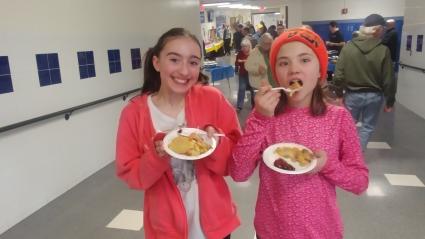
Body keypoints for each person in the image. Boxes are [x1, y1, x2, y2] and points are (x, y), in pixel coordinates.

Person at [231, 28, 369, 239]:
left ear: (320, 71)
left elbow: (360, 182)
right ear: (276, 73)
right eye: (284, 63)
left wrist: (326, 165)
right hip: (271, 231)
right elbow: (239, 173)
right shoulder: (265, 115)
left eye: (304, 60)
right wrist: (260, 119)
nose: (294, 70)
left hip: (322, 231)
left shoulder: (338, 118)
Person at [115, 28, 241, 239]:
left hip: (215, 224)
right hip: (166, 229)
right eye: (174, 60)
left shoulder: (212, 99)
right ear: (157, 63)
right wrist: (157, 156)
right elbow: (132, 176)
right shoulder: (134, 113)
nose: (184, 71)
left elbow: (236, 161)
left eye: (192, 62)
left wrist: (216, 144)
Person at [333, 13, 396, 150]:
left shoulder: (348, 48)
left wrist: (338, 95)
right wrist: (389, 101)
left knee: (347, 126)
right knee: (367, 127)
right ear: (377, 30)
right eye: (383, 30)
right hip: (374, 97)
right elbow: (389, 79)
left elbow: (338, 75)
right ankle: (357, 155)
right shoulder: (383, 50)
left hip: (352, 95)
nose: (384, 33)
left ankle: (343, 153)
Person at [235, 38, 254, 111]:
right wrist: (240, 62)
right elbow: (236, 63)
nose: (242, 48)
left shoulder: (253, 53)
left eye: (244, 46)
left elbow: (255, 63)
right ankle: (239, 106)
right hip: (243, 74)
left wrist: (245, 61)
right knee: (241, 88)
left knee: (253, 90)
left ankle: (254, 106)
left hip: (251, 74)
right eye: (242, 46)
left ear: (249, 46)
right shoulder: (240, 53)